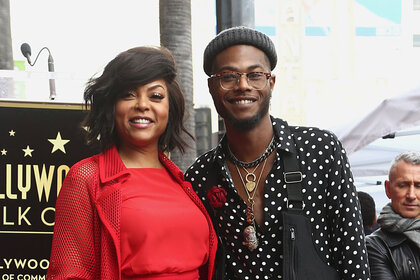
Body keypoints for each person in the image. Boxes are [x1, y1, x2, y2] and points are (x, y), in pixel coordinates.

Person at [185, 26, 370, 279]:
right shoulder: (201, 176)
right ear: (212, 87)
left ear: (271, 83)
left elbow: (354, 259)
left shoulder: (320, 149)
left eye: (255, 75)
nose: (242, 85)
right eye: (228, 76)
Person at [47, 46, 217, 279]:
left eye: (155, 96)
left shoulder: (181, 181)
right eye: (128, 94)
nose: (142, 104)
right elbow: (69, 274)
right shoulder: (86, 177)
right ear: (112, 106)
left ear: (170, 108)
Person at [366, 151, 420, 279]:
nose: (411, 195)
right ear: (388, 189)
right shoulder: (375, 245)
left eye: (418, 186)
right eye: (403, 185)